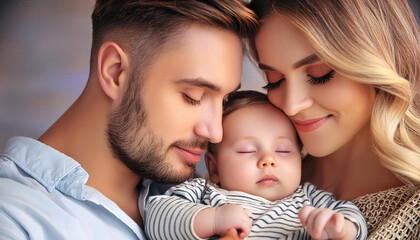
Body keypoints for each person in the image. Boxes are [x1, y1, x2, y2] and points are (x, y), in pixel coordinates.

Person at [0, 1, 258, 239]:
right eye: (193, 96)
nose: (215, 133)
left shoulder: (206, 195)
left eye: (224, 101)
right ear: (115, 72)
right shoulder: (12, 219)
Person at [247, 0, 420, 239]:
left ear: (381, 60)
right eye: (274, 79)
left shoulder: (413, 209)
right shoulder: (250, 176)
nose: (291, 104)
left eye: (320, 74)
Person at [145, 90, 367, 240]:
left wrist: (343, 229)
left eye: (283, 151)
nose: (268, 160)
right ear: (214, 168)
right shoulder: (204, 194)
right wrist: (213, 219)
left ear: (300, 157)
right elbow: (156, 215)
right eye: (247, 151)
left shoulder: (308, 200)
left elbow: (353, 215)